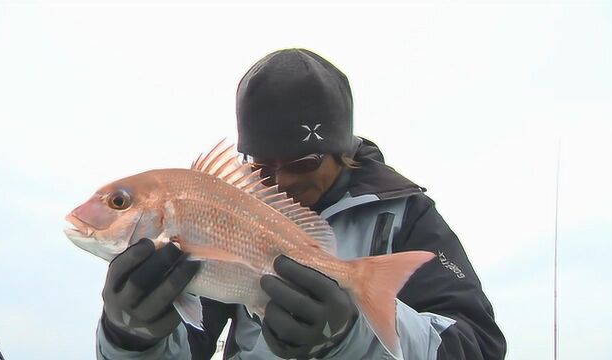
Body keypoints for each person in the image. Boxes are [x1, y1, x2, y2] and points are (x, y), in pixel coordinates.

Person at [96, 48, 507, 359]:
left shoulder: (408, 216)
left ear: (344, 150)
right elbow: (191, 343)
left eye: (303, 162)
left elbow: (479, 347)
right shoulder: (226, 217)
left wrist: (349, 336)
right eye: (262, 166)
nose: (283, 181)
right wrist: (131, 335)